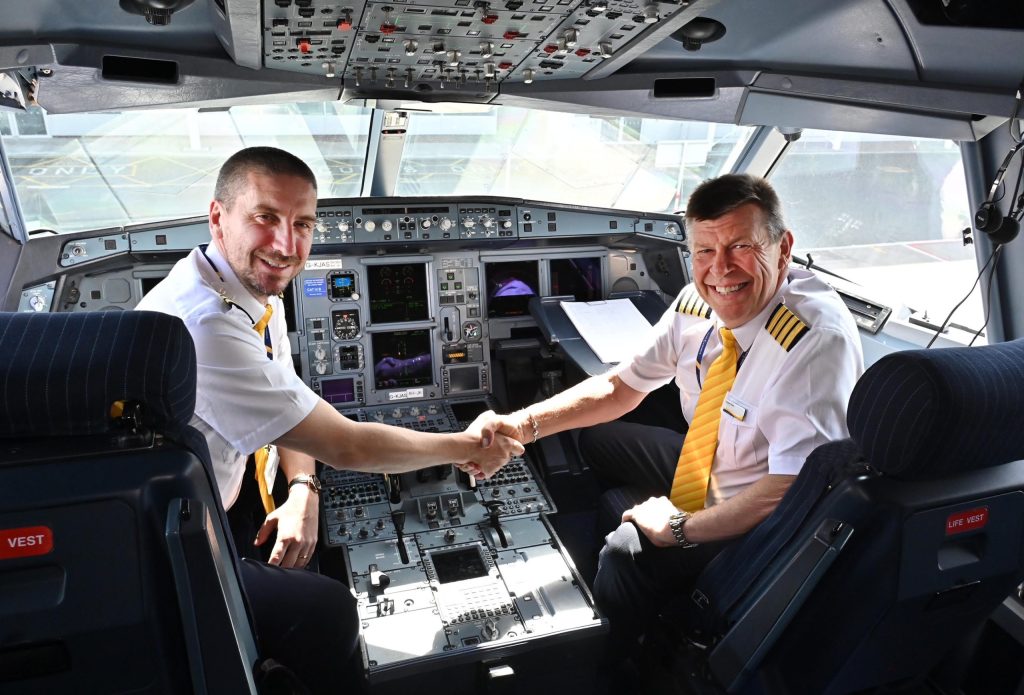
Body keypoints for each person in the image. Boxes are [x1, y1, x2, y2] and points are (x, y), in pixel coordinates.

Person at [137, 146, 523, 693]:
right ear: (217, 217)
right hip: (176, 534)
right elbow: (349, 446)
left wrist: (303, 487)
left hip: (216, 483)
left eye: (302, 224)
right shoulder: (207, 324)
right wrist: (467, 446)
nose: (285, 246)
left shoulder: (242, 288)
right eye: (265, 217)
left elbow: (286, 393)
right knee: (329, 610)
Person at [478, 173, 864, 657]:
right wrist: (522, 424)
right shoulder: (698, 302)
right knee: (598, 439)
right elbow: (621, 386)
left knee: (623, 552)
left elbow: (789, 489)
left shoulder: (810, 340)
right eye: (704, 251)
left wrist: (676, 528)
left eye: (741, 246)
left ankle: (620, 659)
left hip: (763, 511)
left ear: (782, 248)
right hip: (715, 463)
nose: (720, 270)